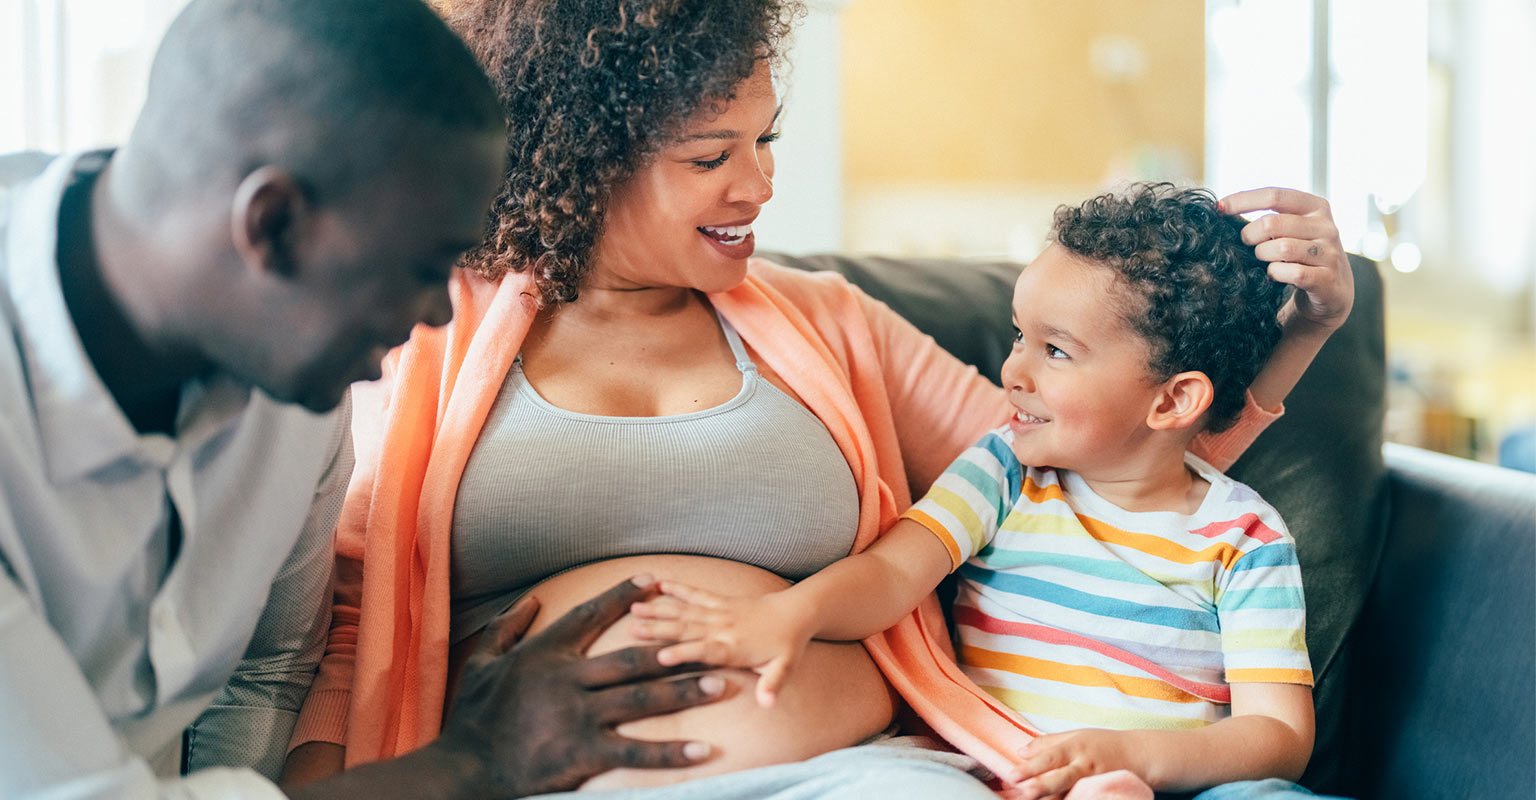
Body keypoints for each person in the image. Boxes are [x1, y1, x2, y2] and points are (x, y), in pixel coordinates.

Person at [277, 0, 1357, 796]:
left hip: (856, 771)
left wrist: (1295, 338)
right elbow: (353, 608)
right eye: (714, 155)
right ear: (585, 157)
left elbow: (1104, 451)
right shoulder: (428, 319)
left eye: (767, 140)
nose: (759, 185)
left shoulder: (828, 320)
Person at [0, 0, 731, 797]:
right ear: (273, 226)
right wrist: (475, 757)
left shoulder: (297, 371)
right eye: (423, 267)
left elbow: (268, 672)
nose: (439, 315)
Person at [628, 185, 1355, 798]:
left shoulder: (1246, 537)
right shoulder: (1004, 471)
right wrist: (788, 615)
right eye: (1017, 336)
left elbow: (1279, 735)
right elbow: (890, 573)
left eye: (1056, 351)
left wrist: (1132, 756)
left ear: (1171, 403)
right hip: (1002, 770)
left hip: (1164, 780)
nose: (1014, 373)